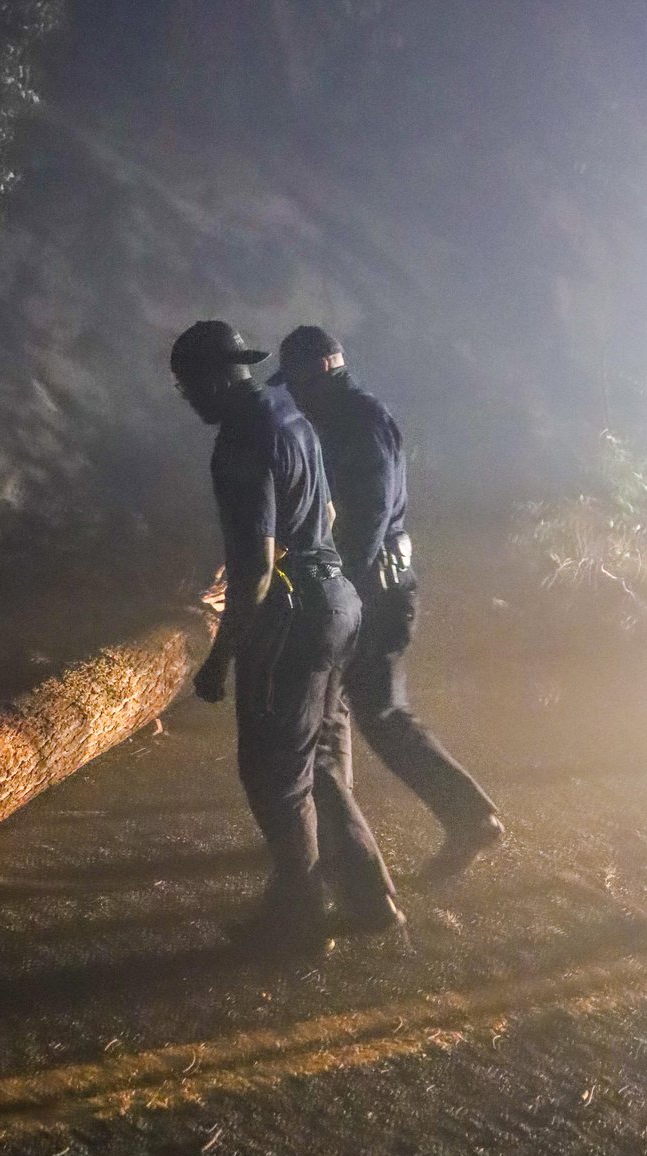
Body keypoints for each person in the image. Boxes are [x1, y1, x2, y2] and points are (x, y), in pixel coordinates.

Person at [171, 320, 402, 958]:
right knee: (315, 760)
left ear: (217, 378)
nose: (187, 400)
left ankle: (299, 918)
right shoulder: (288, 413)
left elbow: (254, 571)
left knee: (272, 774)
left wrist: (220, 659)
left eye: (189, 387)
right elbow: (324, 514)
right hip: (339, 604)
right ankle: (369, 896)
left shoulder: (240, 440)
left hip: (293, 617)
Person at [268, 326, 504, 881]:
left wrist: (339, 592)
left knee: (350, 711)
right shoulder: (355, 416)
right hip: (382, 588)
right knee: (362, 709)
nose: (294, 396)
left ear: (322, 371)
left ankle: (441, 824)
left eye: (299, 383)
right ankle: (452, 817)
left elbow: (368, 515)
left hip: (373, 593)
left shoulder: (355, 424)